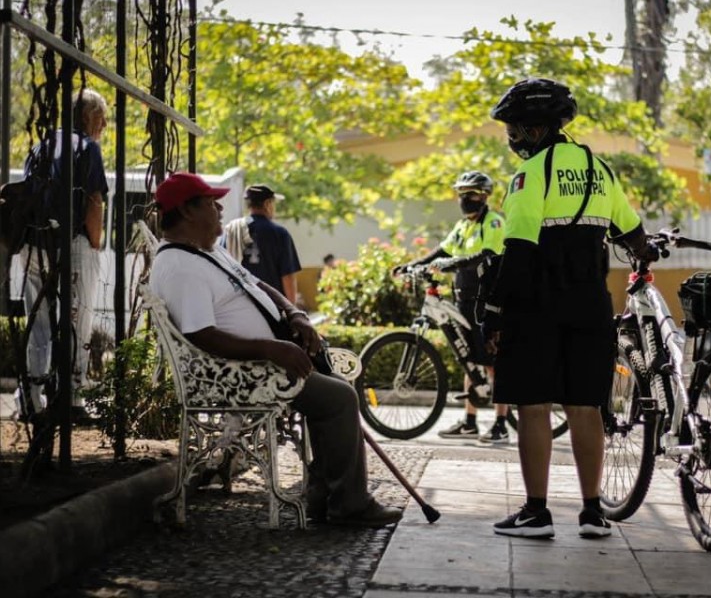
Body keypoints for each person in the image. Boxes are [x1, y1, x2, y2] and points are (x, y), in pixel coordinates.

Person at [150, 171, 402, 528]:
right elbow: (202, 335)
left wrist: (295, 314)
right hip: (245, 374)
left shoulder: (206, 254)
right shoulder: (180, 267)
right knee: (340, 398)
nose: (221, 208)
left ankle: (324, 495)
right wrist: (270, 349)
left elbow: (260, 286)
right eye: (210, 202)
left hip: (266, 362)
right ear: (188, 212)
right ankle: (349, 504)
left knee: (332, 385)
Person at [481, 78, 656, 538]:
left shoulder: (531, 174)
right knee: (585, 405)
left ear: (536, 129)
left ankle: (536, 512)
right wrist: (645, 249)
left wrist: (494, 311)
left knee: (533, 404)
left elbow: (517, 250)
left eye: (515, 129)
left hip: (536, 303)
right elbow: (634, 236)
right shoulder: (600, 169)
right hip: (591, 303)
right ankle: (593, 512)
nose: (512, 138)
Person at [393, 171, 510, 443]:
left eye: (470, 194)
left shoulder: (493, 222)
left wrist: (452, 264)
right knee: (468, 358)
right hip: (463, 296)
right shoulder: (463, 226)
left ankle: (501, 424)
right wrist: (413, 265)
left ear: (483, 196)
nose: (464, 199)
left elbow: (487, 254)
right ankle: (469, 422)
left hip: (485, 299)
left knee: (492, 362)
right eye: (461, 194)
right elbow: (442, 251)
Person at [18, 88, 109, 418]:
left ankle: (30, 398)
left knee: (38, 323)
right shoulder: (87, 147)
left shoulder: (42, 145)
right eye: (103, 118)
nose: (105, 125)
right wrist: (95, 243)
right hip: (72, 243)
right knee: (76, 320)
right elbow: (94, 201)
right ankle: (70, 398)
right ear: (89, 117)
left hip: (33, 244)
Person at [221, 184, 301, 304]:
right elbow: (287, 276)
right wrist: (292, 311)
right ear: (267, 204)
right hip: (273, 308)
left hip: (239, 306)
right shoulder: (280, 234)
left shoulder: (232, 231)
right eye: (273, 204)